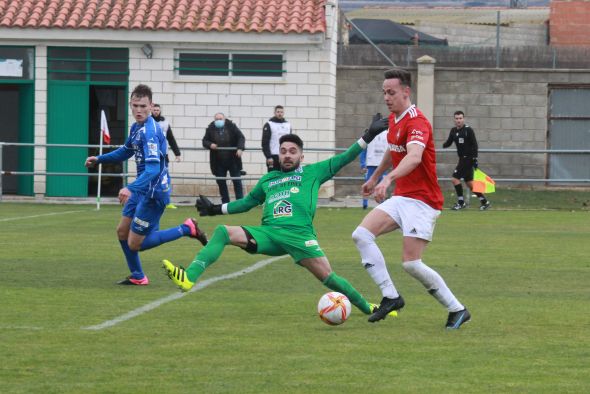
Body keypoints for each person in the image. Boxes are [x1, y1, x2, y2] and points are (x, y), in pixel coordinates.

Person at [162, 127, 397, 320]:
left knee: (329, 277)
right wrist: (215, 209)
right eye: (283, 151)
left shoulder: (313, 173)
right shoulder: (269, 179)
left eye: (292, 151)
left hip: (299, 236)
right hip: (268, 233)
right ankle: (189, 277)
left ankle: (369, 308)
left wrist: (367, 135)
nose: (287, 155)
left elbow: (344, 158)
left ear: (301, 156)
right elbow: (245, 204)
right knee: (223, 232)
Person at [351, 68, 471, 329]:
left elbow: (414, 156)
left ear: (406, 91)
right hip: (403, 197)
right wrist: (375, 177)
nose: (386, 97)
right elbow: (393, 151)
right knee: (361, 235)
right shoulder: (394, 120)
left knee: (411, 264)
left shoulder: (418, 122)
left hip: (423, 201)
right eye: (384, 92)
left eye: (391, 92)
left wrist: (387, 180)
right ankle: (390, 297)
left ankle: (457, 309)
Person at [84, 84, 207, 286]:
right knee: (122, 232)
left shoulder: (150, 131)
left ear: (151, 106)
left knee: (135, 243)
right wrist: (99, 158)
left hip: (154, 192)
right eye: (135, 106)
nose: (139, 110)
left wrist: (129, 188)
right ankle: (138, 276)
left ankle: (186, 228)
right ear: (130, 105)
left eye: (143, 106)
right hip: (142, 189)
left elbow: (153, 170)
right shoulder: (136, 128)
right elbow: (125, 151)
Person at [442, 110, 491, 211]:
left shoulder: (468, 130)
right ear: (454, 119)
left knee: (455, 179)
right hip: (461, 159)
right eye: (457, 118)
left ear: (463, 119)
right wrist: (443, 145)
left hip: (468, 159)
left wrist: (475, 159)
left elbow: (475, 145)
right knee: (470, 183)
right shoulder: (453, 130)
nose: (458, 120)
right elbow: (449, 142)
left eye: (460, 118)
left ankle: (461, 202)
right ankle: (484, 201)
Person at [203, 113, 245, 204]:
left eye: (220, 119)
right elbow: (204, 141)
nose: (219, 121)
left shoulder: (232, 127)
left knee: (237, 181)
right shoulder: (210, 128)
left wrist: (240, 148)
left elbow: (241, 137)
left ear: (224, 119)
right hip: (218, 161)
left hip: (233, 159)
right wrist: (210, 144)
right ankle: (225, 203)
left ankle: (240, 203)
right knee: (221, 183)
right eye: (217, 119)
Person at [152, 103, 181, 209]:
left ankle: (166, 201)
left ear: (160, 111)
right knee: (151, 178)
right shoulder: (148, 122)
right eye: (154, 110)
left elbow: (171, 138)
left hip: (163, 156)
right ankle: (151, 200)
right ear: (151, 110)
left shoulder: (165, 123)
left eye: (157, 110)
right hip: (151, 156)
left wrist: (177, 153)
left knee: (165, 179)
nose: (156, 111)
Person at [359, 115, 388, 209]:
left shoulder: (387, 133)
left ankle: (382, 204)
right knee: (368, 184)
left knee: (382, 185)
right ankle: (365, 204)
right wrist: (363, 164)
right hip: (371, 164)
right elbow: (363, 150)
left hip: (382, 164)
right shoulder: (368, 133)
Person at [262, 105, 291, 172]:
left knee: (285, 177)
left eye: (281, 112)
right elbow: (265, 143)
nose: (280, 114)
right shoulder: (269, 124)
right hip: (273, 155)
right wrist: (268, 156)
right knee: (273, 178)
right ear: (274, 113)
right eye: (278, 112)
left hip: (285, 155)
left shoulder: (288, 125)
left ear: (283, 113)